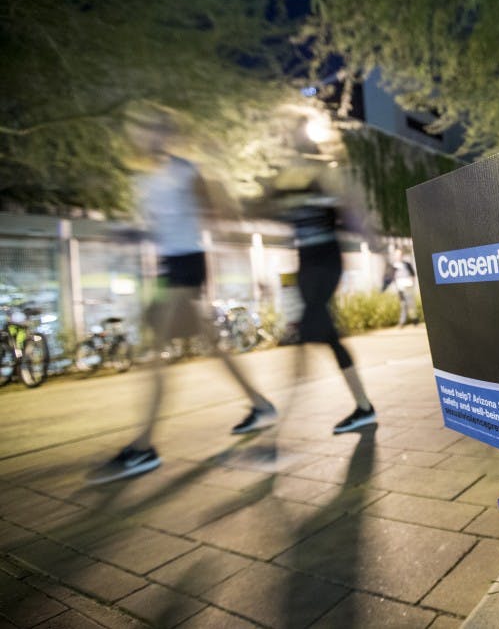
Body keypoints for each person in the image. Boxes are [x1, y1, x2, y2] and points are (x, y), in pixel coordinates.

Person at [87, 103, 277, 485]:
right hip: (166, 269)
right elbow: (155, 231)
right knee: (210, 346)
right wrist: (128, 235)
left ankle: (143, 448)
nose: (145, 135)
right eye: (139, 129)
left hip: (188, 264)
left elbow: (218, 219)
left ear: (167, 133)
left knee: (152, 354)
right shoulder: (143, 180)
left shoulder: (184, 171)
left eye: (153, 128)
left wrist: (247, 268)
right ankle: (261, 405)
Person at [278, 181, 376, 434]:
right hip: (308, 266)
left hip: (323, 264)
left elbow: (352, 216)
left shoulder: (321, 187)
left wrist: (375, 243)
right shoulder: (290, 191)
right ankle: (363, 407)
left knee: (318, 336)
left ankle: (282, 420)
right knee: (326, 338)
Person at [384, 248, 418, 327]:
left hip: (408, 287)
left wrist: (412, 282)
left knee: (411, 304)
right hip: (400, 288)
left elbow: (413, 275)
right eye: (397, 255)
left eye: (400, 254)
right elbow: (391, 278)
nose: (399, 256)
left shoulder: (407, 264)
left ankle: (415, 320)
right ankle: (402, 321)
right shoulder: (393, 266)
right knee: (403, 304)